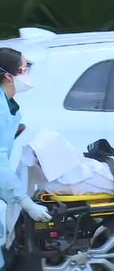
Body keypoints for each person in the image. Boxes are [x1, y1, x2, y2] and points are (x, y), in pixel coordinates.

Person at [0, 47, 51, 271]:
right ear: (9, 76)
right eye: (23, 70)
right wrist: (25, 201)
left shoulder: (8, 108)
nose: (26, 76)